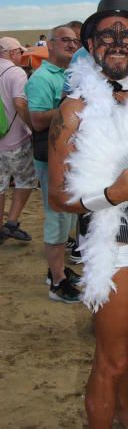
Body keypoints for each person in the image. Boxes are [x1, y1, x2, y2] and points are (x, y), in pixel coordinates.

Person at [48, 0, 128, 429]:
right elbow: (59, 197)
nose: (118, 42)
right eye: (107, 35)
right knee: (110, 356)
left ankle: (123, 411)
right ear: (90, 44)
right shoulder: (74, 111)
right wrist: (112, 194)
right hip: (112, 243)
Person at [25, 25, 81, 302]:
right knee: (56, 216)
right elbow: (35, 121)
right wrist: (72, 108)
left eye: (75, 41)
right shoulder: (41, 78)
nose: (71, 45)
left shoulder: (71, 74)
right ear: (49, 43)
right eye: (65, 40)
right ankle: (57, 281)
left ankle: (58, 270)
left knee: (67, 215)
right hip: (50, 158)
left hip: (69, 157)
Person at [0, 37, 36, 244]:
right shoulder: (15, 72)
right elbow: (20, 103)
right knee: (26, 180)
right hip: (15, 139)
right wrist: (32, 127)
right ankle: (11, 223)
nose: (21, 56)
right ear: (12, 52)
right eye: (20, 52)